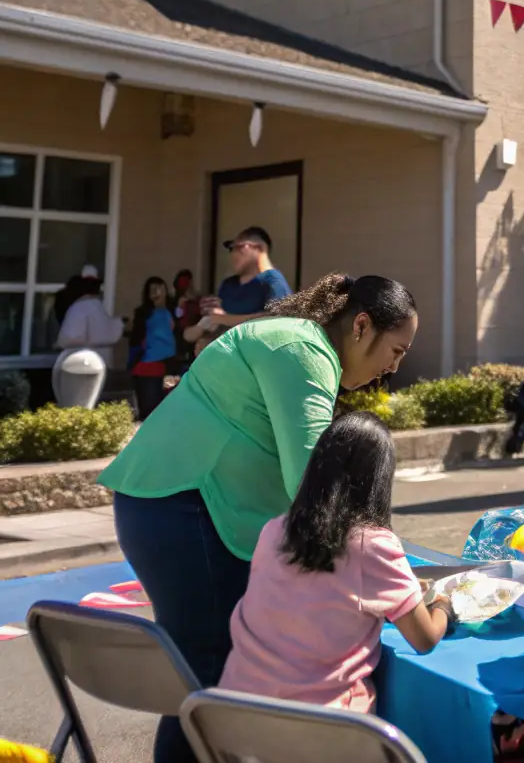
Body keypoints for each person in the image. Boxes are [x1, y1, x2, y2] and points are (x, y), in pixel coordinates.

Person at [101, 273, 417, 763]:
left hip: (174, 506)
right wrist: (384, 562)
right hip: (184, 509)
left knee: (206, 673)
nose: (392, 369)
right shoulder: (302, 351)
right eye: (395, 351)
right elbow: (317, 488)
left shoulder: (297, 340)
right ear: (360, 326)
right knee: (206, 677)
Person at [220, 412, 453, 711]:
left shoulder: (276, 529)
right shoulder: (373, 544)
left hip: (233, 711)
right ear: (378, 480)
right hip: (322, 725)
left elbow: (321, 593)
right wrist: (443, 604)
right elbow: (424, 638)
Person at [191, 227, 291, 349]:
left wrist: (224, 319)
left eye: (239, 248)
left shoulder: (273, 280)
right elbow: (218, 325)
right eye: (231, 249)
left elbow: (276, 320)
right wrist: (207, 341)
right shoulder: (228, 285)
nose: (233, 254)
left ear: (260, 248)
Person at [53, 266, 124, 409]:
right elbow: (105, 332)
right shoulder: (90, 306)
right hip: (87, 360)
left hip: (73, 358)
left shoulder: (77, 307)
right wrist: (120, 323)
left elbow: (67, 336)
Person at [127, 277, 176, 420]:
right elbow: (136, 338)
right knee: (149, 410)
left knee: (167, 408)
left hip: (170, 364)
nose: (157, 293)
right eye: (153, 290)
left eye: (161, 289)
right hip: (149, 365)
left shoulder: (173, 310)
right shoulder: (143, 312)